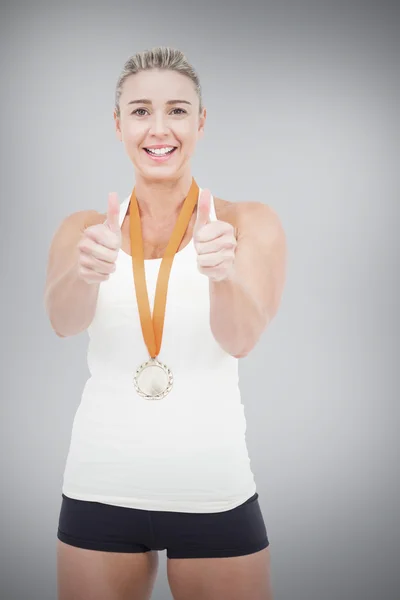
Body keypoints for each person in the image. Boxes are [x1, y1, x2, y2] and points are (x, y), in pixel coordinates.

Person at [45, 46, 286, 600]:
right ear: (118, 124)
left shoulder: (247, 223)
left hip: (212, 488)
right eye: (140, 111)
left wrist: (221, 273)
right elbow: (62, 321)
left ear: (200, 123)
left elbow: (242, 339)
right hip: (99, 483)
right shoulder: (84, 229)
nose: (159, 129)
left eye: (177, 111)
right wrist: (86, 273)